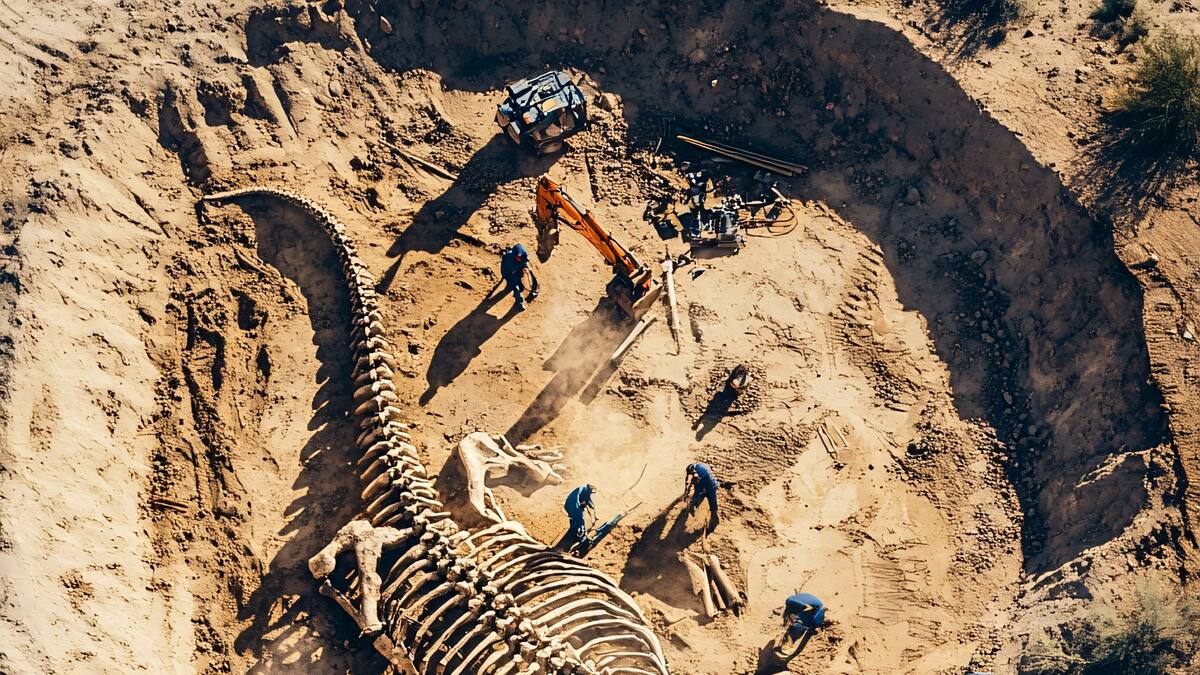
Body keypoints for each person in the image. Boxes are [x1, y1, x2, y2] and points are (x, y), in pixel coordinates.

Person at [500, 243, 539, 310]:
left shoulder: (523, 254)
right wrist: (513, 272)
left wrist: (526, 268)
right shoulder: (507, 258)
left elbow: (525, 262)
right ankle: (519, 303)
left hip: (517, 271)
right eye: (519, 258)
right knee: (516, 287)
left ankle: (533, 290)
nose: (520, 259)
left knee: (524, 281)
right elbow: (505, 271)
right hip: (509, 273)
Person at [561, 483, 596, 549]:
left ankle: (573, 529)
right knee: (580, 521)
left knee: (573, 518)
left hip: (568, 506)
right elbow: (585, 500)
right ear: (589, 490)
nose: (591, 493)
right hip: (575, 507)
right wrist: (584, 507)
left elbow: (587, 499)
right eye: (592, 492)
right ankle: (581, 536)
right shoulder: (584, 491)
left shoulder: (582, 489)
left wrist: (591, 506)